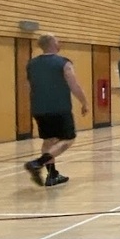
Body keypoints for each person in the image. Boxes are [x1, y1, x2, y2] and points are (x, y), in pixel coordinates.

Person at [23, 33, 89, 187]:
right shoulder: (63, 63)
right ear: (52, 43)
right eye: (57, 41)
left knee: (49, 140)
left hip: (38, 108)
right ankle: (38, 163)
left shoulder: (31, 64)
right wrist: (84, 102)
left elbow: (29, 85)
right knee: (68, 139)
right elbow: (74, 85)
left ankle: (52, 175)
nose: (60, 43)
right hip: (59, 107)